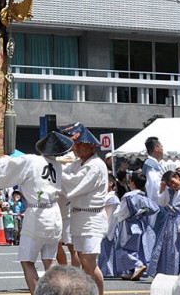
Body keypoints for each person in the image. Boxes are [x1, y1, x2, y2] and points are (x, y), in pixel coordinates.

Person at [0, 131, 74, 295]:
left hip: (38, 213)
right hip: (54, 214)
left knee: (27, 261)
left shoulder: (32, 160)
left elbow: (5, 166)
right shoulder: (58, 166)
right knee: (50, 260)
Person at [61, 125, 108, 295]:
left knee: (89, 261)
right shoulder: (78, 163)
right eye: (75, 144)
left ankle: (99, 293)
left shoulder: (95, 165)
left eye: (81, 144)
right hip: (79, 217)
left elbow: (73, 184)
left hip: (91, 219)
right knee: (82, 259)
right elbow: (66, 174)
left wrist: (56, 170)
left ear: (91, 146)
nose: (77, 148)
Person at [114, 171, 158, 281]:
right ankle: (132, 271)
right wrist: (142, 212)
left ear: (132, 183)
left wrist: (116, 216)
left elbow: (122, 212)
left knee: (121, 249)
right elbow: (155, 208)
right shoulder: (143, 197)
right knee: (134, 250)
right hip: (140, 225)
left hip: (128, 225)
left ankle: (137, 264)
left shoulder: (129, 196)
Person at [96, 175, 120, 278]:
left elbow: (109, 216)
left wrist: (105, 230)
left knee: (108, 250)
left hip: (108, 228)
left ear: (110, 183)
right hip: (108, 227)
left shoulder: (111, 198)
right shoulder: (109, 197)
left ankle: (108, 271)